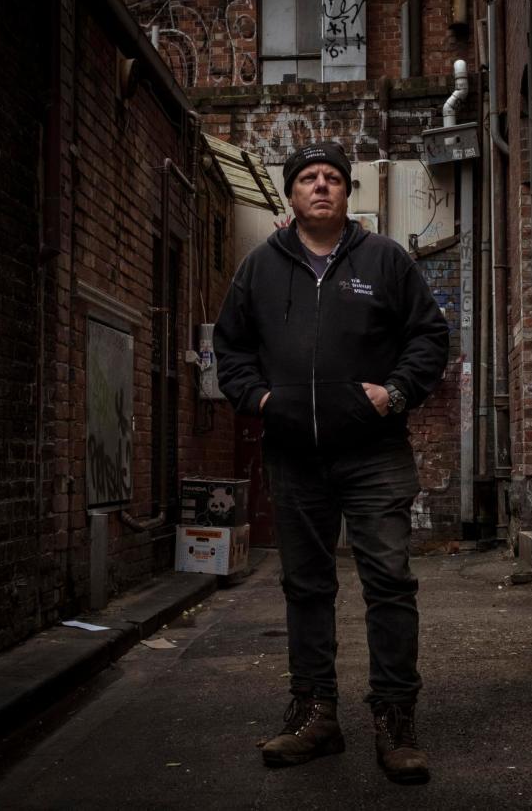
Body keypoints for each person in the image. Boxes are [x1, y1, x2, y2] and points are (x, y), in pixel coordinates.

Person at [213, 141, 449, 785]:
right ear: (290, 195)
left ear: (349, 193)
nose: (321, 186)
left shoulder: (385, 261)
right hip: (294, 455)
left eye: (333, 179)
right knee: (307, 586)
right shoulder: (259, 268)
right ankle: (316, 715)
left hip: (374, 452)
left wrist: (394, 392)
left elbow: (429, 335)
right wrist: (259, 399)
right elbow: (230, 347)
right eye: (308, 178)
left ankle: (395, 718)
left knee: (390, 581)